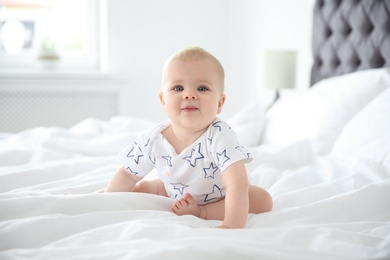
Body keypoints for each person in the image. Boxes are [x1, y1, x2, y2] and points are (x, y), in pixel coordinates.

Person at [105, 47, 272, 228]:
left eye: (202, 88)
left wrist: (231, 226)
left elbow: (236, 184)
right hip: (174, 190)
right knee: (142, 189)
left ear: (219, 103)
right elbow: (127, 174)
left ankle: (203, 212)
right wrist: (106, 200)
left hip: (221, 196)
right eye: (178, 88)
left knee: (262, 200)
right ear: (163, 101)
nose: (189, 94)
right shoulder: (153, 139)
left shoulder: (220, 136)